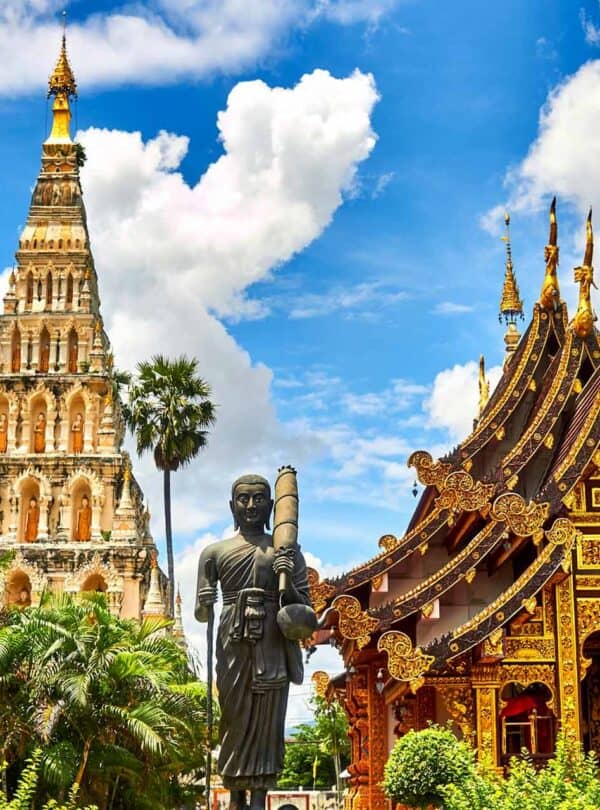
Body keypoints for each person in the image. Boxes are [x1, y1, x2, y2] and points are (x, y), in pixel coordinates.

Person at [195, 475, 312, 810]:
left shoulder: (286, 554)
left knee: (267, 718)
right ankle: (235, 797)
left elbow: (305, 614)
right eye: (243, 499)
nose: (250, 506)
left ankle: (260, 796)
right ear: (232, 506)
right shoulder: (214, 553)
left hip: (272, 642)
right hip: (232, 640)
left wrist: (286, 580)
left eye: (259, 499)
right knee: (233, 718)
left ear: (271, 506)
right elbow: (202, 614)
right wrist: (205, 600)